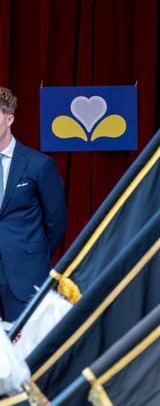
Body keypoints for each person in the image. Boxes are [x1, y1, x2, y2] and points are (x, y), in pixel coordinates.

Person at [0, 86, 67, 323]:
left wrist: (31, 254)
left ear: (10, 119)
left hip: (25, 274)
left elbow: (56, 221)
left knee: (25, 349)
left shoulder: (39, 165)